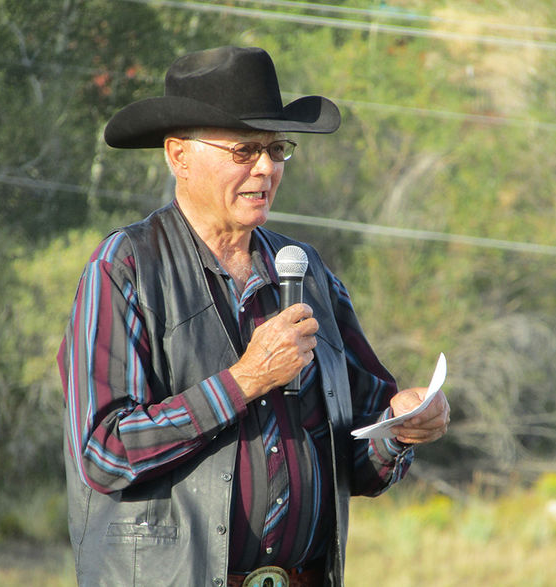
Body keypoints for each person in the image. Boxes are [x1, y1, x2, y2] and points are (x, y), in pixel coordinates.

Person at [58, 45, 450, 587]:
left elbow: (360, 450)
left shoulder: (307, 271)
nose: (265, 168)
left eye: (277, 149)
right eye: (244, 150)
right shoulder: (124, 268)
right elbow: (104, 452)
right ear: (179, 156)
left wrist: (403, 425)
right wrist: (245, 381)